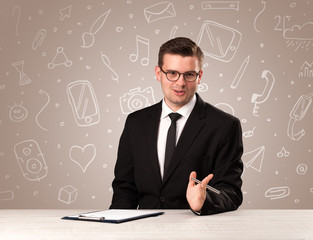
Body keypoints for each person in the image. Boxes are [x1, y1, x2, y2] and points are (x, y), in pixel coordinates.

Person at [110, 37, 243, 215]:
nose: (180, 83)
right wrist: (114, 226)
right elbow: (124, 188)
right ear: (158, 73)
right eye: (172, 73)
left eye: (189, 74)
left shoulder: (225, 126)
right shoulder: (136, 122)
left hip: (197, 231)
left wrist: (204, 202)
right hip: (144, 230)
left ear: (199, 76)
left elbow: (231, 192)